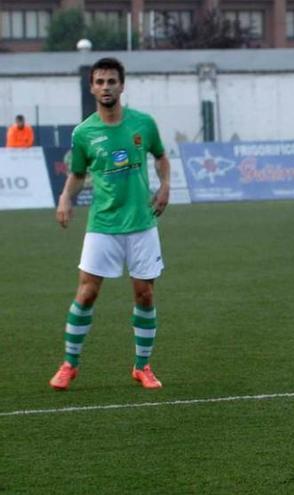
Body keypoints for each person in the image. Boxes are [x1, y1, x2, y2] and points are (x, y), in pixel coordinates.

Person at [49, 57, 171, 391]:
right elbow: (77, 174)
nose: (106, 87)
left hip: (142, 224)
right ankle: (69, 365)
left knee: (144, 295)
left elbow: (161, 157)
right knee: (86, 293)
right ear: (92, 87)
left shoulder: (143, 124)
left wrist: (164, 186)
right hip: (102, 224)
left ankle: (142, 366)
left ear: (122, 85)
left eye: (111, 81)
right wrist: (65, 199)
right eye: (100, 82)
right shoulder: (84, 132)